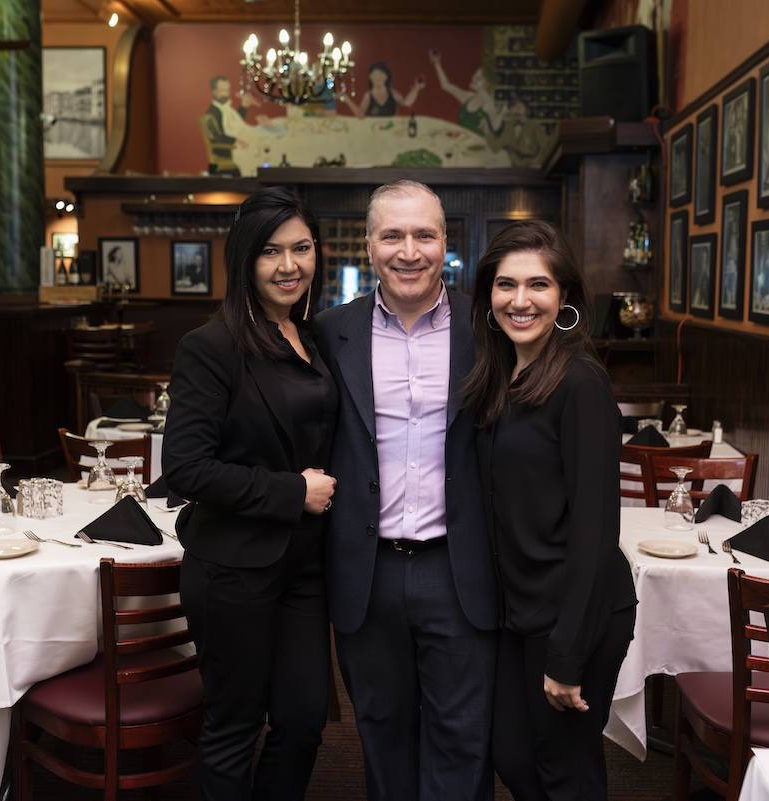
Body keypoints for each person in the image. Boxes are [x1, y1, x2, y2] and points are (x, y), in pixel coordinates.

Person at [315, 180, 500, 801]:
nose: (409, 250)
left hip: (460, 567)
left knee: (463, 737)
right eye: (392, 235)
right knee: (382, 731)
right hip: (367, 572)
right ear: (368, 246)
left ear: (446, 243)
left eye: (424, 234)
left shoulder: (490, 328)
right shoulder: (328, 333)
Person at [162, 186, 339, 800]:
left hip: (306, 565)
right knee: (235, 725)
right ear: (244, 259)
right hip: (234, 565)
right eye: (270, 252)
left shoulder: (313, 338)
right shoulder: (210, 347)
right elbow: (185, 468)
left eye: (301, 248)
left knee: (304, 721)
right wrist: (292, 492)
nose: (289, 265)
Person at [462, 220, 635, 800]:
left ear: (564, 296)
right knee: (511, 754)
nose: (520, 300)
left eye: (538, 284)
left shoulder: (580, 383)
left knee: (566, 771)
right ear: (488, 295)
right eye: (505, 285)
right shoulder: (501, 373)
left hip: (576, 612)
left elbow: (595, 530)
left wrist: (566, 655)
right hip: (521, 610)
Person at [428, 48, 505, 137]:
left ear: (486, 83)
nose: (473, 79)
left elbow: (496, 128)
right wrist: (437, 63)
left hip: (475, 146)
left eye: (478, 78)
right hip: (460, 140)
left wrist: (500, 113)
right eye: (474, 75)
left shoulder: (488, 103)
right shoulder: (468, 97)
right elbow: (446, 85)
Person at [351, 61, 424, 119]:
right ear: (370, 77)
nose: (377, 78)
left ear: (386, 77)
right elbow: (360, 114)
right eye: (374, 75)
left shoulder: (392, 93)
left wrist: (416, 88)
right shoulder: (368, 95)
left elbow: (406, 103)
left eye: (380, 75)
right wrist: (346, 99)